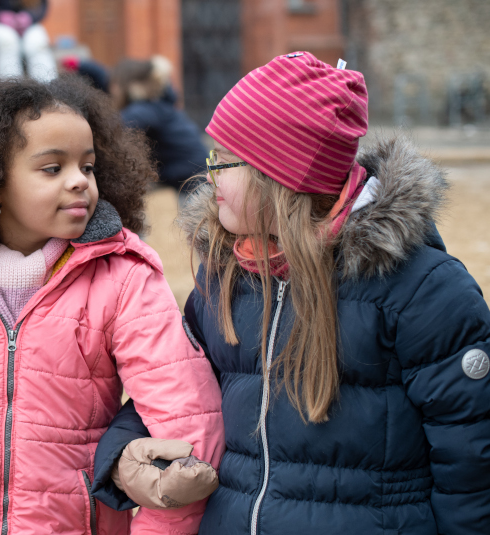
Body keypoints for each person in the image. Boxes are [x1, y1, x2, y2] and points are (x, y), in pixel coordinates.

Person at [91, 52, 490, 535]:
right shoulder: (228, 277)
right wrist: (123, 451)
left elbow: (471, 460)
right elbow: (176, 390)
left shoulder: (422, 290)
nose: (209, 172)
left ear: (282, 178)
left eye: (225, 159)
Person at [0, 76, 225, 534]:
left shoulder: (124, 278)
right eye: (52, 168)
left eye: (88, 167)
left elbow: (189, 429)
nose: (79, 181)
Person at [111, 55, 208, 196]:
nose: (113, 90)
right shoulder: (159, 106)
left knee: (196, 216)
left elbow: (114, 129)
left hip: (192, 179)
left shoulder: (144, 109)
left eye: (116, 84)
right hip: (194, 174)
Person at [0, 0, 57, 82]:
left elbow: (41, 6)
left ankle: (48, 88)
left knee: (37, 40)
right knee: (7, 39)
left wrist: (29, 16)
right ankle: (10, 90)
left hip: (27, 24)